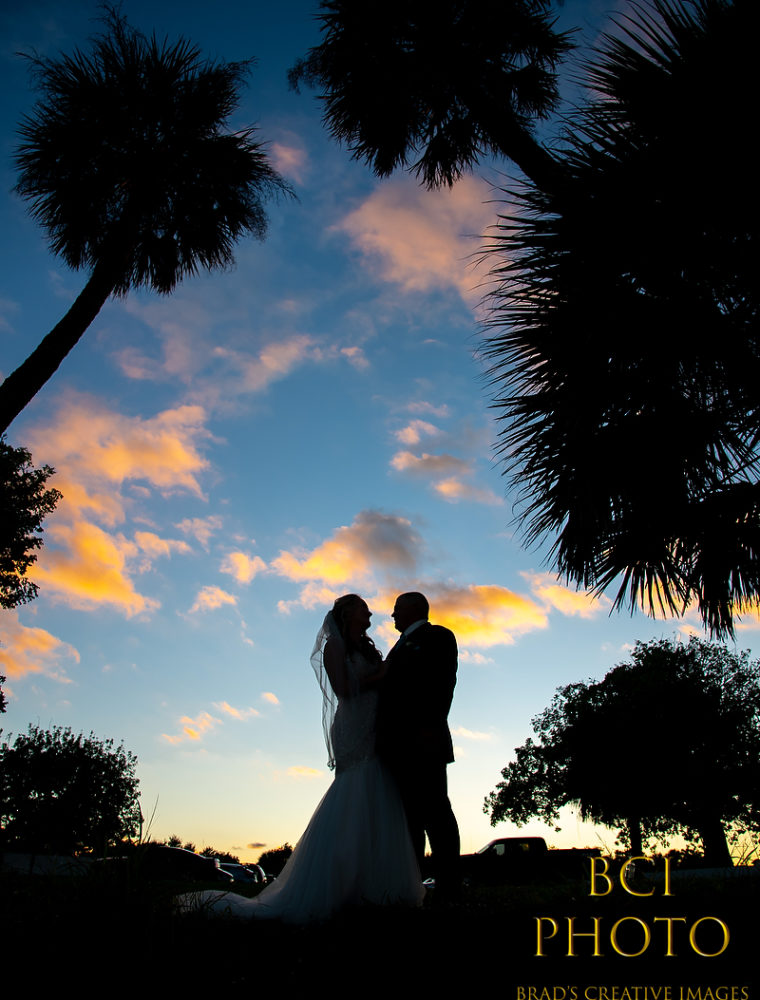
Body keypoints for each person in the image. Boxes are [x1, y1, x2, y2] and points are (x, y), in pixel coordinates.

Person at [177, 594, 423, 922]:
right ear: (348, 612)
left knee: (378, 795)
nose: (372, 613)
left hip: (375, 727)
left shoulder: (366, 647)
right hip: (353, 728)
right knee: (356, 793)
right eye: (365, 608)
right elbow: (343, 689)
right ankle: (340, 885)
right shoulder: (334, 646)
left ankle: (375, 886)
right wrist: (383, 675)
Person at [376, 592, 461, 898]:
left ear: (413, 609)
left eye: (397, 609)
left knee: (436, 812)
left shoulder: (438, 637)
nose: (392, 615)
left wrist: (420, 729)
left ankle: (448, 883)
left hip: (424, 741)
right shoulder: (396, 648)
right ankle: (412, 883)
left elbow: (440, 687)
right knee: (410, 818)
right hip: (398, 747)